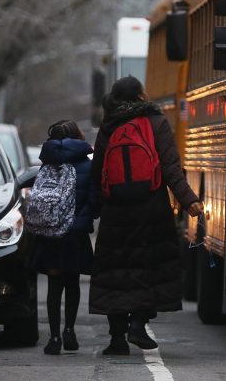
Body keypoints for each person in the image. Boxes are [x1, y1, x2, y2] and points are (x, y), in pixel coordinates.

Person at [90, 75, 202, 355]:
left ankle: (116, 339)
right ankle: (138, 324)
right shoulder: (156, 121)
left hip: (116, 210)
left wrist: (95, 207)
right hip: (151, 208)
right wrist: (189, 201)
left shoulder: (109, 124)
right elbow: (170, 167)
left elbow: (98, 171)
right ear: (141, 95)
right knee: (148, 267)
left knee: (116, 272)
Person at [27, 120, 97, 355]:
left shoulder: (47, 164)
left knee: (54, 285)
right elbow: (94, 200)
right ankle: (70, 331)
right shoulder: (87, 166)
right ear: (77, 138)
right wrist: (84, 219)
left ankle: (54, 337)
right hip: (74, 234)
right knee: (72, 283)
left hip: (50, 234)